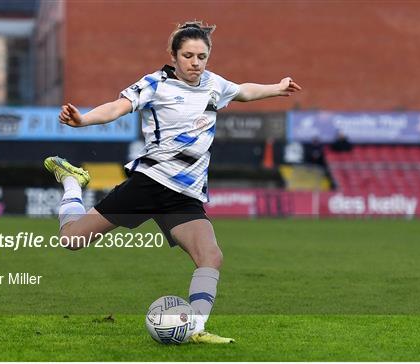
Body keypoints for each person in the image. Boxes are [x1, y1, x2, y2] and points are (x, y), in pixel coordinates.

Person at [44, 20, 302, 344]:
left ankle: (195, 329)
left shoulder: (213, 84)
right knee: (72, 240)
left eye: (202, 56)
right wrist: (83, 120)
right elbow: (117, 107)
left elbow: (243, 91)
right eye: (189, 55)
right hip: (150, 183)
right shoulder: (155, 85)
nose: (196, 63)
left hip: (185, 195)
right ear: (174, 55)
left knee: (211, 256)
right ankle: (71, 181)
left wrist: (277, 88)